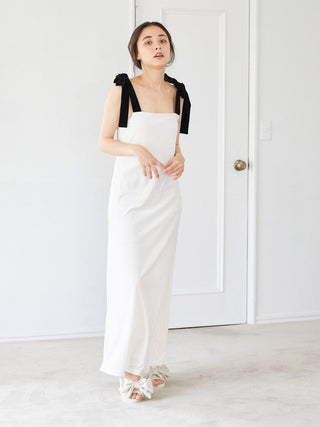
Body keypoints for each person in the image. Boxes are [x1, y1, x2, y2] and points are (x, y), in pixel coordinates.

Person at [98, 21, 191, 403]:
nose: (157, 46)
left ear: (169, 49)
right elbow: (104, 142)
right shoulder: (123, 89)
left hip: (165, 197)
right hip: (131, 199)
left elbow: (174, 144)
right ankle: (130, 368)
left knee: (157, 284)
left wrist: (180, 159)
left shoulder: (179, 94)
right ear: (136, 52)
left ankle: (150, 362)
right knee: (132, 280)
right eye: (148, 41)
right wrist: (135, 149)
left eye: (162, 40)